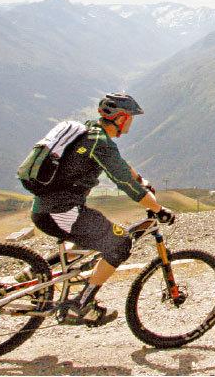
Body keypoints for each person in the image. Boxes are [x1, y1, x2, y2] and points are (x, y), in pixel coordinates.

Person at [29, 93, 173, 327]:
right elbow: (126, 183)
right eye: (131, 118)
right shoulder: (102, 144)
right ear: (121, 118)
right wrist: (158, 209)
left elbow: (121, 166)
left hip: (45, 209)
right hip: (61, 212)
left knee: (93, 238)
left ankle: (32, 272)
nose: (132, 123)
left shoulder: (91, 133)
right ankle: (81, 305)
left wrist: (142, 179)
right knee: (121, 242)